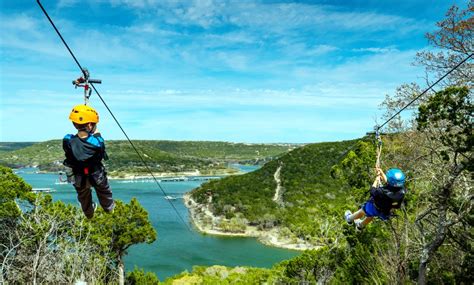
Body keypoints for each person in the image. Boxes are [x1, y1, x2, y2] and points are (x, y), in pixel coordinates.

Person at [63, 104, 114, 218]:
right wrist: (94, 131)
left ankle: (89, 213)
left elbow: (71, 148)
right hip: (96, 174)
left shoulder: (68, 140)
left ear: (74, 124)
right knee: (104, 191)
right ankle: (109, 208)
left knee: (83, 195)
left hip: (78, 175)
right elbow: (99, 143)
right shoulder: (96, 142)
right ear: (90, 125)